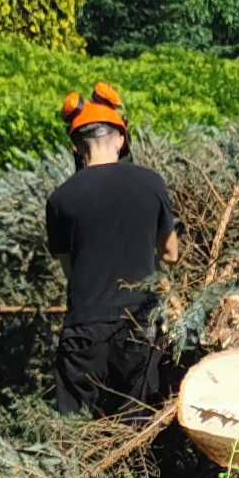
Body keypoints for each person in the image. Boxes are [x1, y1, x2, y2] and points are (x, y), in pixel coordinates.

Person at [43, 82, 179, 417]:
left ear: (76, 146)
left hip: (83, 331)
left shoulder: (61, 198)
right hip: (138, 325)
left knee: (74, 435)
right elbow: (171, 254)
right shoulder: (151, 182)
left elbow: (69, 270)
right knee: (135, 431)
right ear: (120, 138)